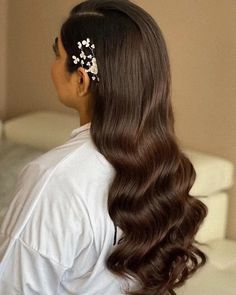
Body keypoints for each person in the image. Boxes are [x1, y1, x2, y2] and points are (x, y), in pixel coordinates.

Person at [0, 0, 208, 294]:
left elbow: (14, 287)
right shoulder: (165, 162)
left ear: (82, 80)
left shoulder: (54, 179)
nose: (53, 64)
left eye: (57, 54)